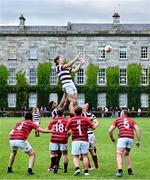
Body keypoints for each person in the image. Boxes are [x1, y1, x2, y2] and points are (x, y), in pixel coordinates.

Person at [65, 106, 98, 176]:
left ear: (75, 112)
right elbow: (93, 127)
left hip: (75, 140)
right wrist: (97, 124)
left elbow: (66, 130)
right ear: (81, 112)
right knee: (85, 156)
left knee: (75, 156)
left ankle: (77, 169)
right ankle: (86, 172)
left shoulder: (71, 120)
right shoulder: (86, 119)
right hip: (85, 139)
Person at [108, 109, 140, 177]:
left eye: (120, 113)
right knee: (126, 154)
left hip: (122, 137)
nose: (120, 114)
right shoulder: (132, 120)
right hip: (130, 138)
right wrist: (138, 141)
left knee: (119, 154)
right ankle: (130, 171)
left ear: (123, 114)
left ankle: (120, 171)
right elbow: (137, 129)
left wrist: (112, 138)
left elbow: (110, 130)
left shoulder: (118, 120)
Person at [47, 108, 69, 173]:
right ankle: (65, 169)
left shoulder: (53, 120)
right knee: (65, 154)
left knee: (52, 153)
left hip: (54, 138)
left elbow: (47, 129)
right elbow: (69, 130)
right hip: (63, 138)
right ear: (63, 113)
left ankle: (55, 166)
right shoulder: (66, 120)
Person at [82, 103, 99, 169]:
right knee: (92, 151)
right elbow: (97, 122)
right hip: (92, 134)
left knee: (84, 152)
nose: (83, 105)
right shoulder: (91, 115)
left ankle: (88, 167)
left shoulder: (83, 114)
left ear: (87, 107)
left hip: (86, 135)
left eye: (85, 104)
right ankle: (96, 167)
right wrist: (94, 126)